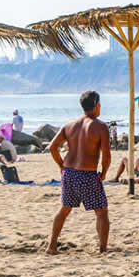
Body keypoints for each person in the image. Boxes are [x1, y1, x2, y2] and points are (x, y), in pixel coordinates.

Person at [46, 91, 111, 255]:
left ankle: (51, 245)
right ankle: (103, 249)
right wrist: (104, 172)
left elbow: (53, 147)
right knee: (101, 211)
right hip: (87, 174)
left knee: (64, 209)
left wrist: (61, 165)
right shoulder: (100, 126)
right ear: (96, 105)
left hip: (69, 173)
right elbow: (106, 155)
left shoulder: (69, 125)